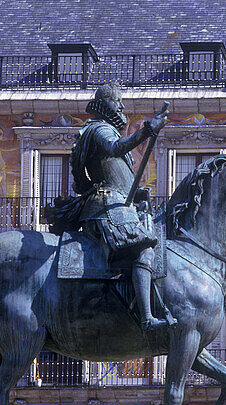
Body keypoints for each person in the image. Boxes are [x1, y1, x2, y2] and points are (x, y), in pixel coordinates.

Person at [45, 84, 172, 332]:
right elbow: (116, 149)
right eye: (117, 101)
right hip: (106, 206)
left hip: (116, 202)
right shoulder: (100, 129)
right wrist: (147, 130)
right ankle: (146, 317)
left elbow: (118, 176)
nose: (122, 106)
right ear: (104, 104)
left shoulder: (103, 130)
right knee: (144, 250)